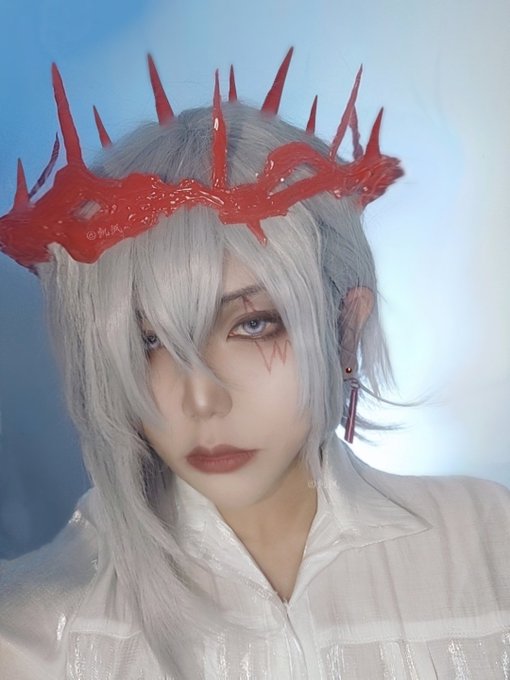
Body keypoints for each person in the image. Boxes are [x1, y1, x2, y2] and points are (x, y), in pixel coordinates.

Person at [1, 48, 509, 680]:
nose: (201, 399)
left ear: (345, 330)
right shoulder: (31, 634)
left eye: (252, 324)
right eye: (148, 341)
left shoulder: (490, 551)